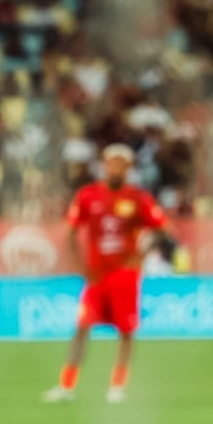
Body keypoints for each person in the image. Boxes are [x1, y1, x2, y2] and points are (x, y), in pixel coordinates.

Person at [44, 143, 168, 404]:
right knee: (82, 327)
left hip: (124, 275)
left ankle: (117, 386)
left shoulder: (138, 198)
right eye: (111, 162)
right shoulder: (89, 196)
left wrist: (141, 255)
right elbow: (70, 230)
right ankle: (66, 385)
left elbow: (161, 227)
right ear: (104, 164)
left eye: (121, 163)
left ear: (129, 167)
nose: (115, 167)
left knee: (125, 331)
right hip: (97, 275)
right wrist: (79, 265)